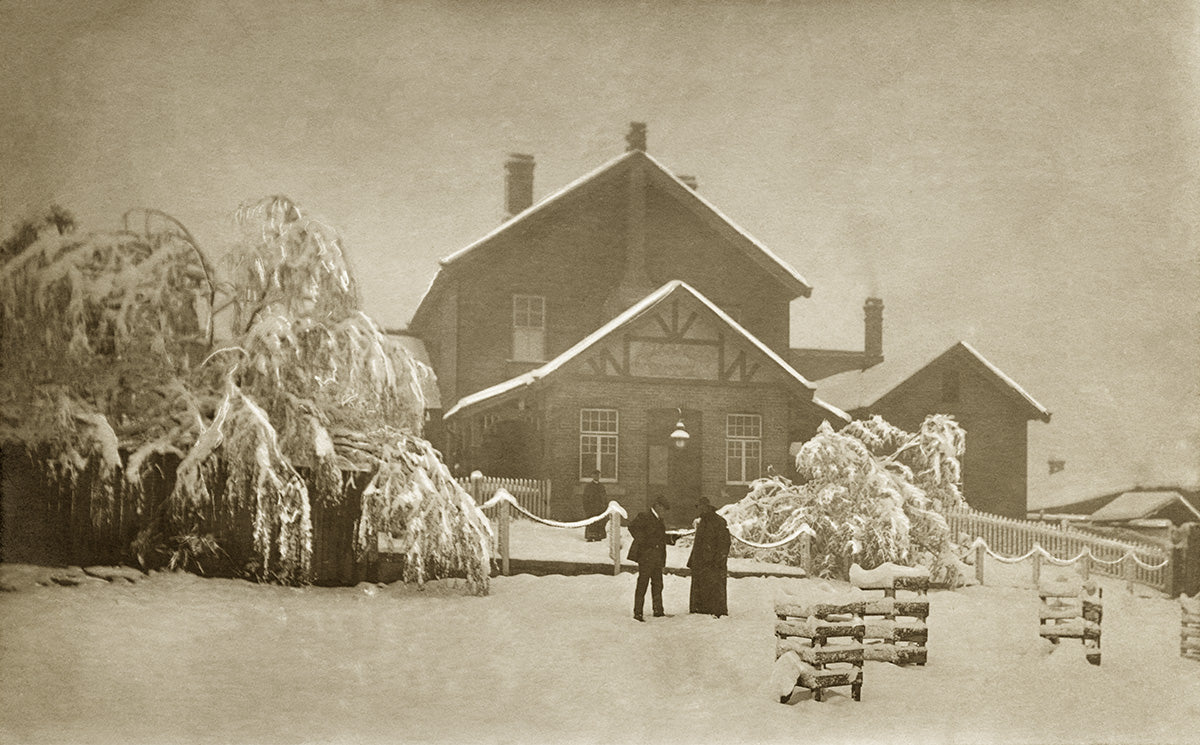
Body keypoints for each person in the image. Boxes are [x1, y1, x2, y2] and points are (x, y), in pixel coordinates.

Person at [687, 500, 730, 617]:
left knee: (714, 588)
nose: (700, 510)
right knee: (701, 587)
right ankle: (700, 609)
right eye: (699, 507)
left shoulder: (719, 522)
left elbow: (724, 543)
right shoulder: (702, 522)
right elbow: (698, 543)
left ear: (707, 507)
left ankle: (715, 610)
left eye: (701, 507)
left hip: (713, 563)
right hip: (701, 562)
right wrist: (693, 560)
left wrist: (719, 560)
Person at [627, 499, 668, 621]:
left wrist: (670, 538)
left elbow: (658, 537)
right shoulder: (644, 516)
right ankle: (638, 612)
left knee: (658, 584)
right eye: (664, 509)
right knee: (643, 584)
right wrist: (644, 542)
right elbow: (632, 527)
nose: (664, 512)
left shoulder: (659, 520)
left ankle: (658, 610)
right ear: (657, 505)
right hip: (646, 556)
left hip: (657, 557)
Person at [581, 470, 608, 542]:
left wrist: (604, 506)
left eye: (598, 475)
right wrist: (587, 508)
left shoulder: (601, 486)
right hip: (591, 509)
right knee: (591, 522)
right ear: (592, 476)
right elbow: (585, 498)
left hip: (600, 508)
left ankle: (599, 536)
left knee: (600, 523)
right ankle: (590, 537)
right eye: (595, 475)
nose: (597, 477)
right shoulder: (589, 487)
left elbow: (604, 497)